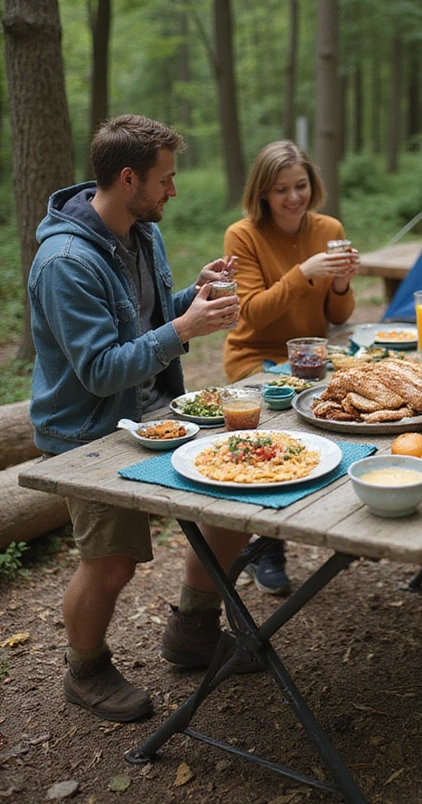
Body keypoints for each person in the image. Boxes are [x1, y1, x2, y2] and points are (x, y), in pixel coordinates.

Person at [29, 115, 253, 724]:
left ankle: (195, 631)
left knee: (240, 505)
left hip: (157, 415)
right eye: (165, 179)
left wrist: (191, 300)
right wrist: (184, 329)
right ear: (128, 178)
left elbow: (144, 320)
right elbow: (100, 369)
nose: (173, 191)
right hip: (91, 432)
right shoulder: (66, 262)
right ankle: (86, 668)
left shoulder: (140, 231)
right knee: (112, 562)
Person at [222, 140, 358, 595]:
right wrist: (305, 272)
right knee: (279, 431)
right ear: (263, 192)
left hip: (312, 357)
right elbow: (252, 313)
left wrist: (339, 282)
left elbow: (339, 318)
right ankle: (268, 543)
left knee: (351, 409)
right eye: (281, 189)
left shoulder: (329, 227)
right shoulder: (242, 235)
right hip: (256, 357)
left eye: (300, 186)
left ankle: (349, 512)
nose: (293, 197)